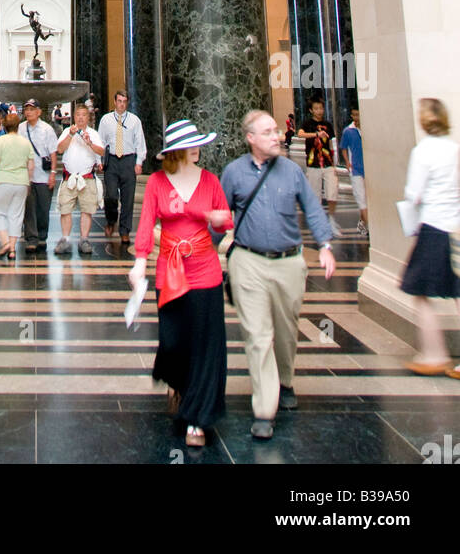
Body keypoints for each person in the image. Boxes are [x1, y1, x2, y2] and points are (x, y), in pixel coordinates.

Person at [221, 110, 335, 440]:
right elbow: (221, 214)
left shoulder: (292, 172)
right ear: (251, 139)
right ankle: (264, 408)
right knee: (257, 336)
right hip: (247, 260)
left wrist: (325, 245)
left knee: (285, 331)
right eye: (268, 132)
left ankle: (285, 381)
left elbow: (312, 208)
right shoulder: (234, 173)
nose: (277, 136)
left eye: (276, 130)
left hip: (289, 263)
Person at [129, 119, 233, 448]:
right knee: (174, 339)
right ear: (178, 152)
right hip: (170, 269)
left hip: (205, 268)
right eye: (192, 144)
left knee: (205, 341)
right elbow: (146, 223)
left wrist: (219, 219)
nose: (198, 148)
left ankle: (196, 417)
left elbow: (227, 217)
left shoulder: (210, 181)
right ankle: (177, 381)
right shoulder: (159, 183)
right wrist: (139, 262)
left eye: (198, 143)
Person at [400, 97, 460, 379]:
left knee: (420, 289)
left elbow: (414, 192)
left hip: (433, 226)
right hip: (456, 226)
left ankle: (435, 354)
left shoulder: (423, 151)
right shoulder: (454, 149)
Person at [54, 103, 104, 256]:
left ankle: (84, 239)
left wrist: (89, 143)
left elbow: (101, 151)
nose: (81, 118)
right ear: (74, 117)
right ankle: (65, 239)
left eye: (84, 115)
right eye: (78, 115)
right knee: (65, 209)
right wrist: (70, 134)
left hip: (86, 177)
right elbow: (60, 149)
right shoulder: (67, 132)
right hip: (69, 177)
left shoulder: (93, 134)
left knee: (87, 210)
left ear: (88, 118)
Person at [98, 90, 147, 245]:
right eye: (119, 101)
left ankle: (125, 230)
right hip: (112, 160)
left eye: (124, 101)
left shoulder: (134, 121)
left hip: (128, 160)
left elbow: (140, 143)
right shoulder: (106, 120)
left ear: (127, 103)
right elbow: (100, 141)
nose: (122, 104)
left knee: (128, 198)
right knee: (111, 195)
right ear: (115, 102)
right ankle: (111, 220)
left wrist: (139, 162)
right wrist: (98, 160)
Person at [0, 112, 33, 258]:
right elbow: (31, 165)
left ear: (4, 126)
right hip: (21, 182)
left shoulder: (1, 141)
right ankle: (13, 250)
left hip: (3, 180)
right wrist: (28, 181)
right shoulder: (25, 142)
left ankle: (5, 242)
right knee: (16, 215)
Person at [18, 98, 58, 252]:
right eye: (26, 109)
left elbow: (53, 153)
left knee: (43, 209)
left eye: (31, 109)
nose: (28, 112)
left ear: (39, 112)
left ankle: (42, 236)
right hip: (26, 176)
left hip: (43, 175)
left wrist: (53, 174)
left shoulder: (47, 129)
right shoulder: (21, 128)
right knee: (29, 209)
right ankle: (31, 238)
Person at [297, 95, 338, 219]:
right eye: (316, 108)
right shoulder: (307, 123)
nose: (319, 111)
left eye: (321, 108)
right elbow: (300, 134)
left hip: (328, 163)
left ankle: (331, 219)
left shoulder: (328, 125)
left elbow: (331, 143)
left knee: (332, 193)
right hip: (313, 164)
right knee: (315, 196)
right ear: (311, 110)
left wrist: (334, 162)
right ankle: (319, 219)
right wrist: (316, 134)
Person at [340, 107, 368, 236]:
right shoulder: (348, 131)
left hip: (368, 168)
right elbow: (344, 147)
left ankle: (363, 222)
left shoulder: (367, 128)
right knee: (361, 198)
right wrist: (347, 162)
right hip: (356, 169)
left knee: (368, 199)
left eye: (359, 114)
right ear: (352, 116)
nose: (358, 117)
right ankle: (369, 227)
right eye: (355, 115)